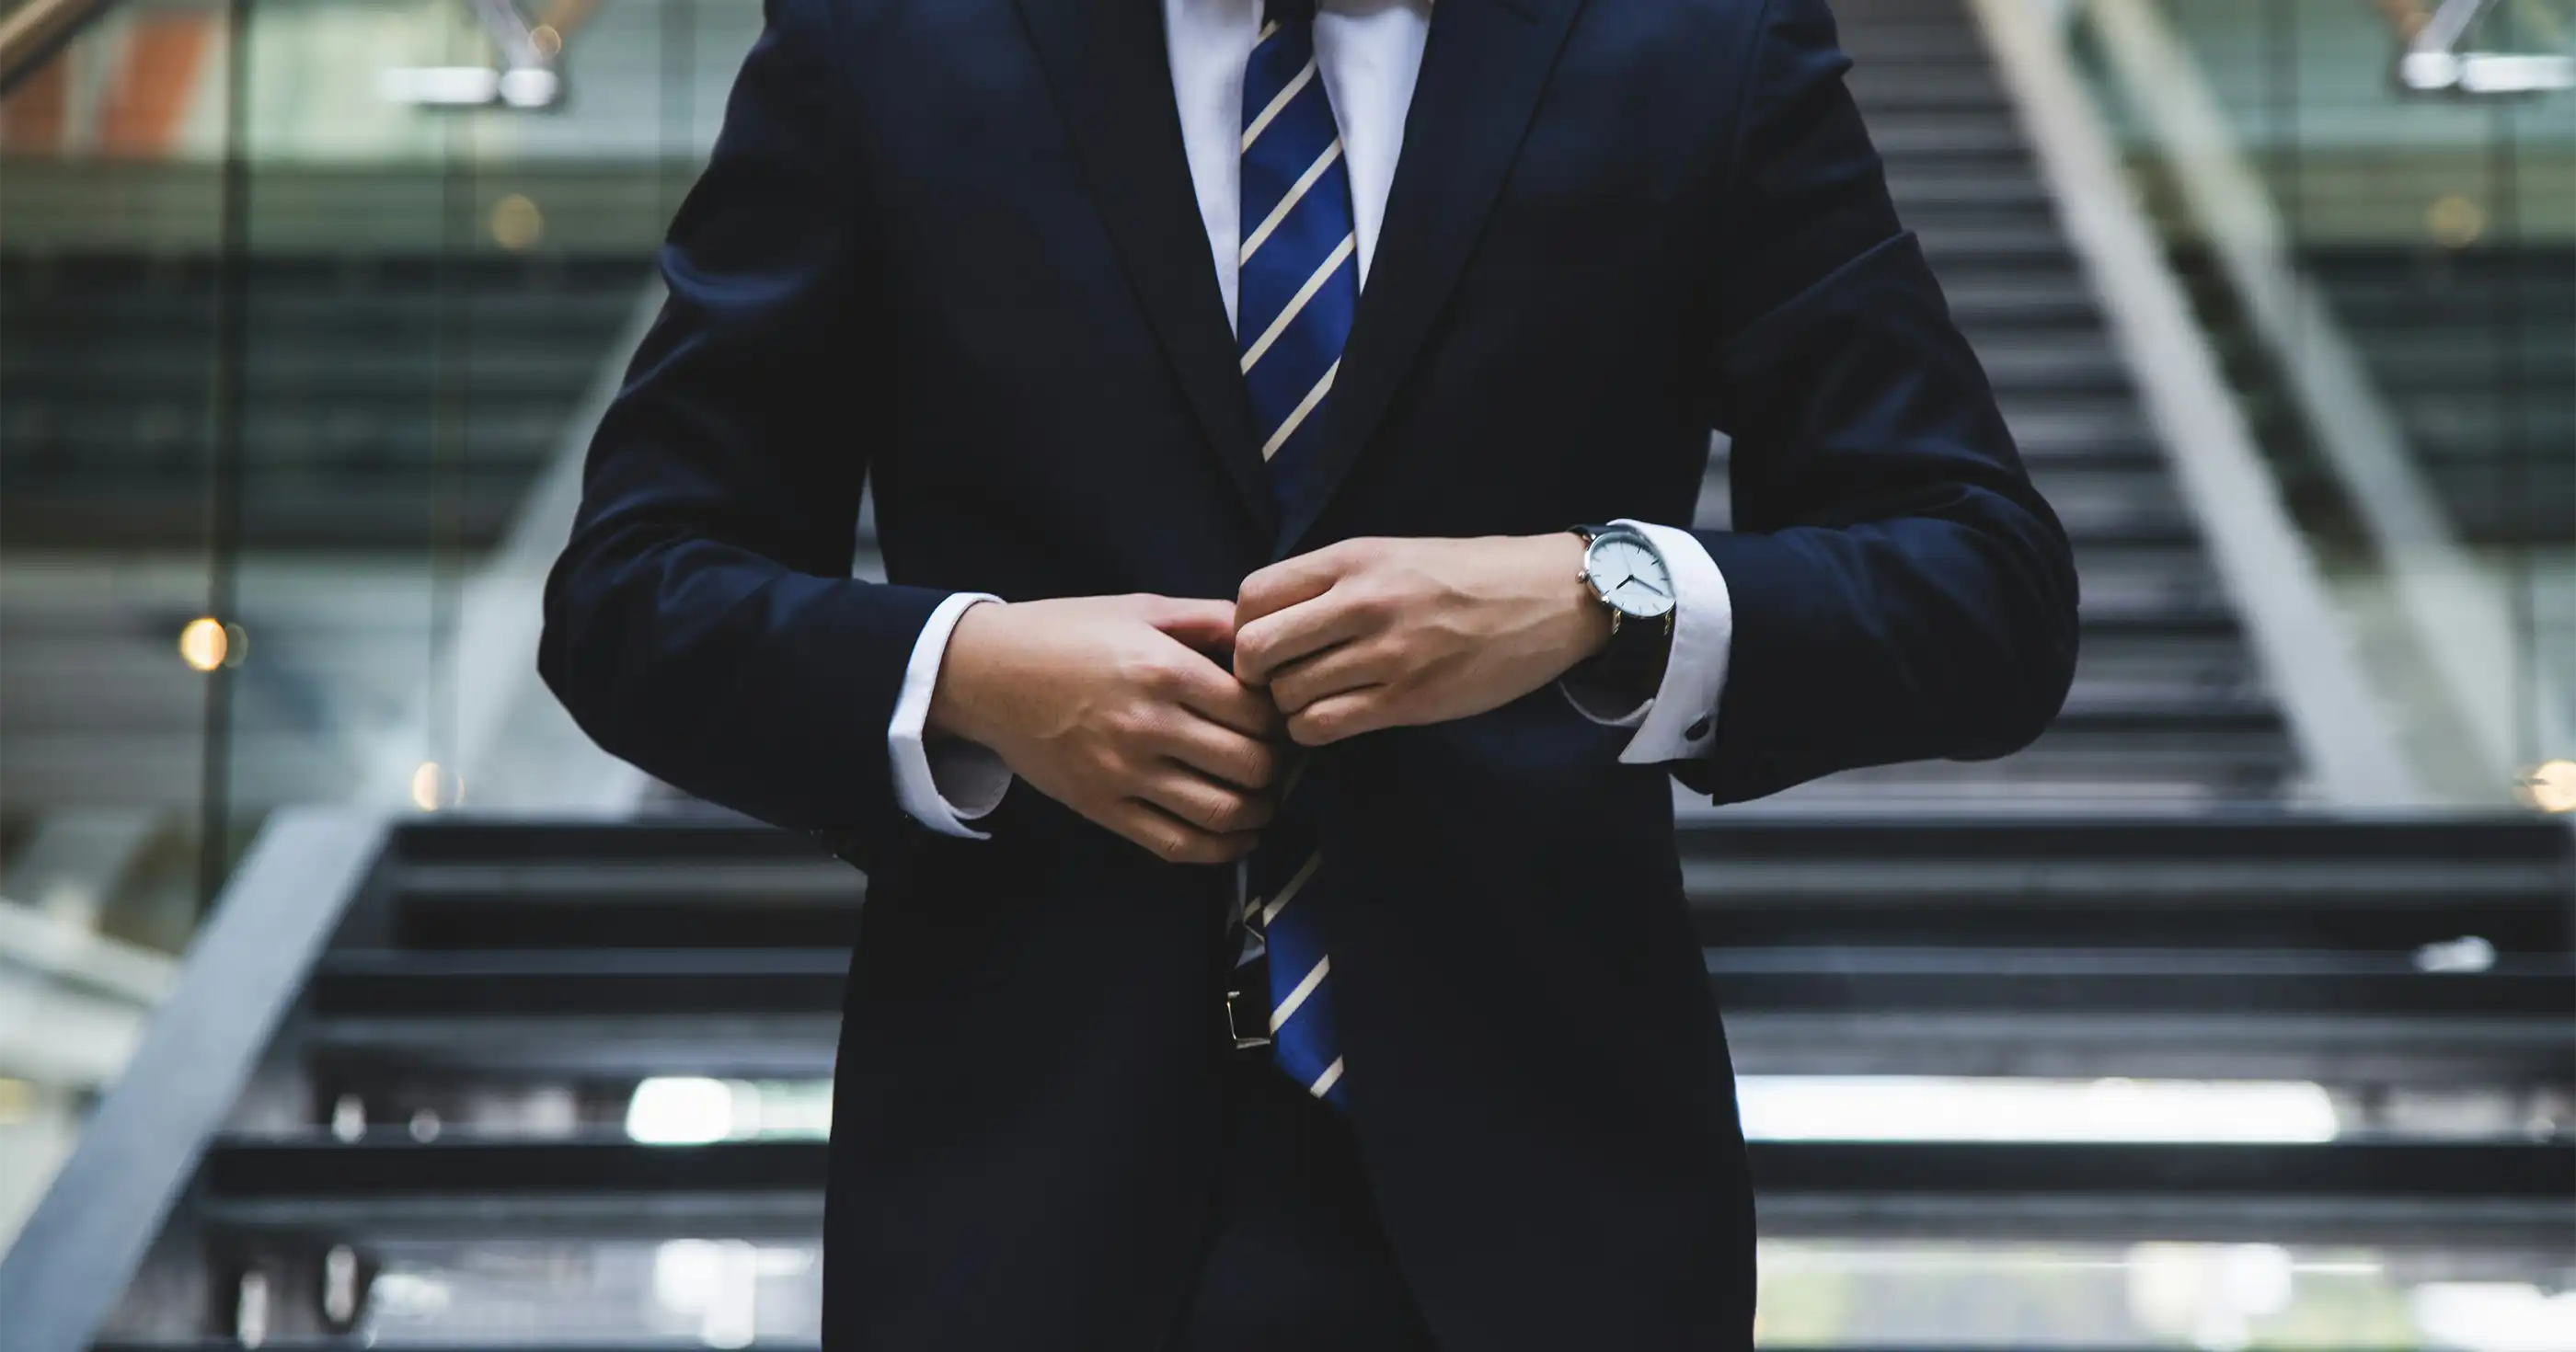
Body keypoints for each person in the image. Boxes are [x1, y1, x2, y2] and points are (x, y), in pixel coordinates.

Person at [538, 0, 2079, 1345]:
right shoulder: (884, 34)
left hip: (1557, 1216)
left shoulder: (1695, 36)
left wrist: (1599, 589)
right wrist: (969, 671)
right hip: (1014, 1202)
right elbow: (630, 590)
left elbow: (1985, 583)